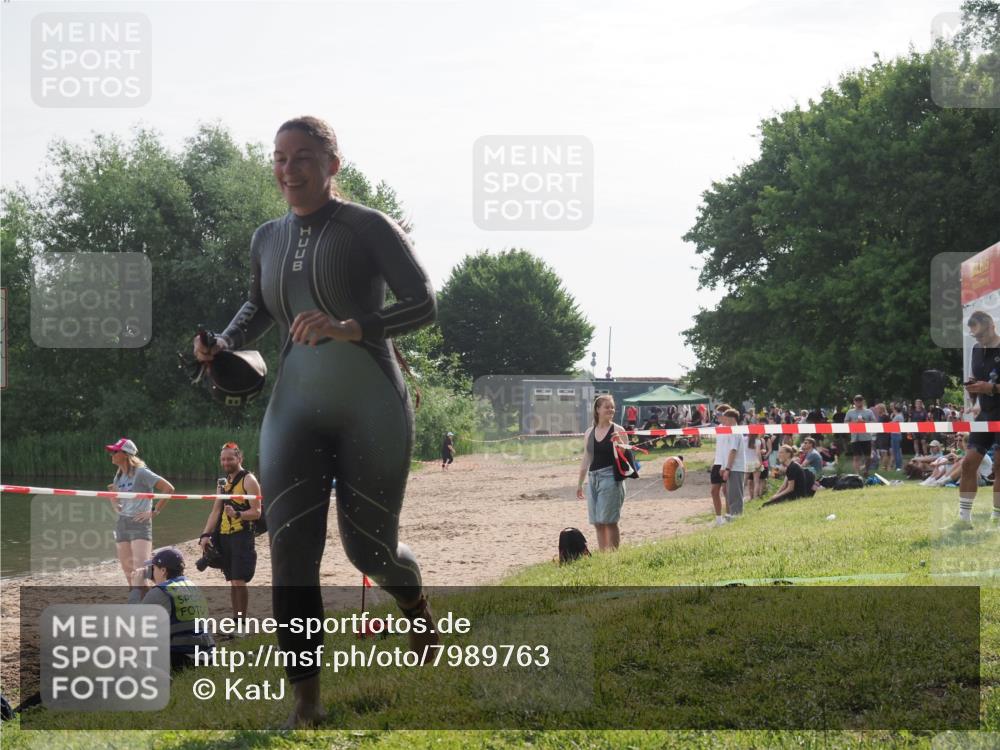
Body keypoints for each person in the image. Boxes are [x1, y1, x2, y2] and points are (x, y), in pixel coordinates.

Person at [193, 116, 437, 727]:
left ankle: (414, 604)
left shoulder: (368, 227)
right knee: (291, 555)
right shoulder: (266, 237)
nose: (288, 169)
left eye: (302, 156)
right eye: (279, 157)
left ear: (332, 164)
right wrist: (222, 342)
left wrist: (352, 327)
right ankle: (308, 704)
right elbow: (259, 305)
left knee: (369, 550)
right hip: (294, 410)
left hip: (372, 406)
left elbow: (424, 303)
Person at [198, 442, 262, 620]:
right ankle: (236, 620)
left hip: (242, 536)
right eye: (223, 459)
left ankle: (241, 622)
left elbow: (257, 512)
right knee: (233, 581)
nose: (226, 462)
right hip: (224, 536)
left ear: (239, 458)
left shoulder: (249, 480)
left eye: (230, 459)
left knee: (239, 581)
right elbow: (215, 511)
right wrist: (205, 535)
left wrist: (238, 514)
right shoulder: (223, 483)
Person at [128, 548, 215, 671]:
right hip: (208, 654)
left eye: (154, 568)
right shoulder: (192, 586)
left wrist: (136, 588)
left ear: (163, 570)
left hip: (184, 658)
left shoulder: (161, 592)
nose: (152, 571)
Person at [105, 438, 175, 590]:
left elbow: (169, 489)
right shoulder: (118, 476)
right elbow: (119, 506)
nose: (111, 454)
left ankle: (153, 599)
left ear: (126, 454)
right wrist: (113, 499)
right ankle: (136, 601)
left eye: (115, 451)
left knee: (141, 573)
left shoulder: (141, 472)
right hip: (122, 523)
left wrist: (154, 511)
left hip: (140, 523)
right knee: (129, 573)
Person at [956, 311, 1000, 528]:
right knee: (967, 464)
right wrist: (975, 391)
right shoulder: (975, 350)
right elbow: (981, 381)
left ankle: (997, 518)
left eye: (981, 335)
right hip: (985, 414)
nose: (978, 339)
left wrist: (991, 388)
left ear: (991, 326)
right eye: (975, 336)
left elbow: (989, 385)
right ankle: (964, 520)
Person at [576, 395, 629, 551]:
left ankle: (613, 555)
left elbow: (626, 457)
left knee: (609, 521)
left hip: (611, 477)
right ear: (597, 409)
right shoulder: (589, 432)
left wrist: (619, 443)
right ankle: (603, 555)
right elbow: (586, 457)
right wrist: (580, 483)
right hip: (593, 478)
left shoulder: (618, 430)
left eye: (612, 407)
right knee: (597, 522)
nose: (611, 410)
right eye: (607, 407)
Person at [718, 408, 746, 520]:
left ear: (732, 419)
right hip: (732, 467)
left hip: (736, 468)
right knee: (731, 494)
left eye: (725, 419)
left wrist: (728, 468)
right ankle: (733, 515)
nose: (724, 422)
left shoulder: (735, 431)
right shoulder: (731, 431)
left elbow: (733, 451)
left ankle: (736, 516)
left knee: (735, 494)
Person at [708, 403, 733, 527]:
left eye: (718, 414)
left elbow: (729, 449)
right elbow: (720, 448)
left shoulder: (731, 429)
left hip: (726, 463)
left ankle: (728, 516)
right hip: (718, 462)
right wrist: (715, 462)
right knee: (714, 491)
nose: (716, 416)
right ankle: (718, 519)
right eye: (716, 414)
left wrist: (725, 466)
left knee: (726, 491)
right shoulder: (719, 428)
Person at [844, 395, 876, 477]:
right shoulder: (850, 412)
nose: (858, 402)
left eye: (860, 400)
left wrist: (865, 423)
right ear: (854, 402)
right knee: (856, 457)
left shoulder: (869, 412)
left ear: (863, 401)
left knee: (868, 457)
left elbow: (874, 422)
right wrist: (855, 423)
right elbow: (845, 423)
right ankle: (857, 474)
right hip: (855, 437)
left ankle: (866, 471)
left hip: (866, 437)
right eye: (857, 400)